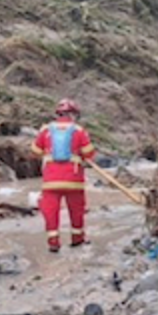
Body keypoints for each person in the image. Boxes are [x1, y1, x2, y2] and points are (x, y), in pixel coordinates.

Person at [31, 99, 96, 252]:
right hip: (74, 180)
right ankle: (77, 239)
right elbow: (89, 153)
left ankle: (53, 242)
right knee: (77, 210)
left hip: (51, 180)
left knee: (50, 211)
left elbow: (35, 151)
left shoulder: (45, 130)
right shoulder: (79, 130)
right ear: (73, 114)